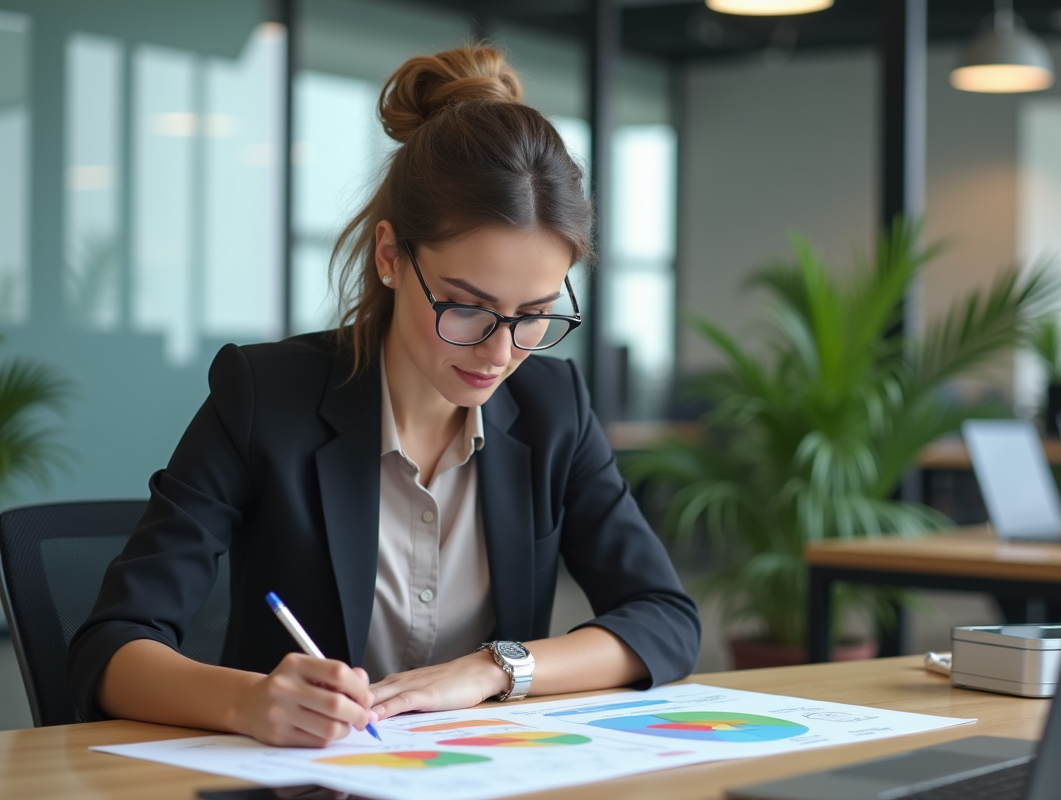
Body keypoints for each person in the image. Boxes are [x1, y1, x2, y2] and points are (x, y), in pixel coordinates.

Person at [67, 45, 701, 747]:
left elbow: (663, 618)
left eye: (535, 316)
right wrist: (246, 702)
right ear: (391, 256)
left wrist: (495, 669)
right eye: (466, 307)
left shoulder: (555, 407)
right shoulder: (264, 397)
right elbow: (112, 648)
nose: (499, 353)